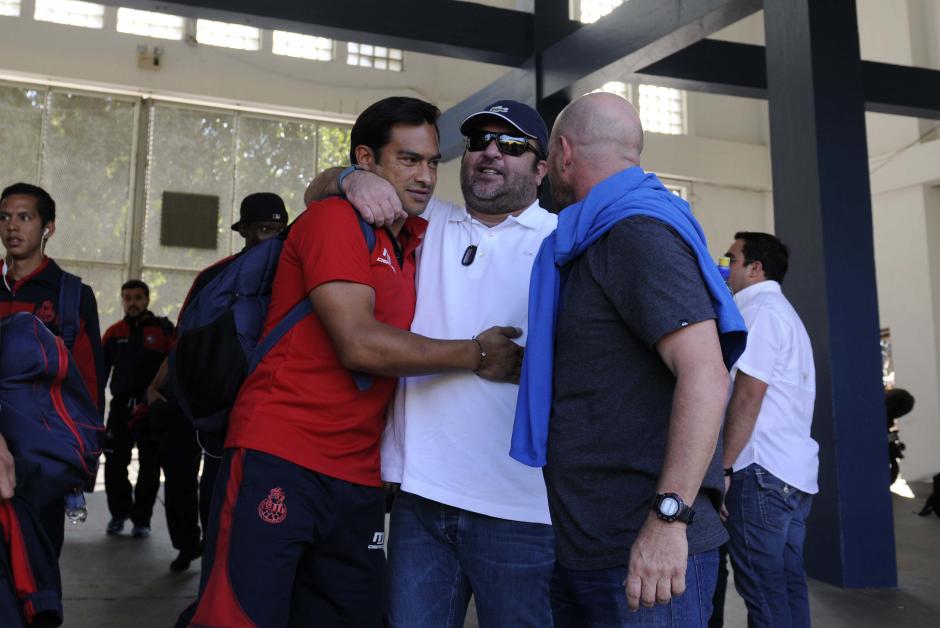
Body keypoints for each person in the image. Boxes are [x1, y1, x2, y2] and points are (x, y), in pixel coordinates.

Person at [186, 96, 523, 627]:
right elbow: (359, 344)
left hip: (359, 474)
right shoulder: (335, 220)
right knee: (239, 618)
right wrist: (477, 354)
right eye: (408, 159)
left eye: (432, 162)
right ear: (366, 158)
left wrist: (341, 177)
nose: (425, 176)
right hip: (281, 452)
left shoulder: (416, 235)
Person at [307, 100, 557, 627]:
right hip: (421, 501)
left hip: (521, 509)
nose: (491, 153)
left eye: (512, 145)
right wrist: (353, 177)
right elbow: (317, 193)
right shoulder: (426, 221)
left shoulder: (564, 241)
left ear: (542, 169)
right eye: (479, 142)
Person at [511, 92, 747, 626]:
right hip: (594, 545)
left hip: (643, 555)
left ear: (563, 153)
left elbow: (706, 374)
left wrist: (668, 520)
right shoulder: (598, 236)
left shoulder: (635, 233)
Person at [148, 192, 289, 573]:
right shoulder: (216, 278)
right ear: (243, 230)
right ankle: (196, 559)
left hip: (272, 411)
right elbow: (185, 341)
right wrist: (158, 387)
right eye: (264, 229)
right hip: (213, 407)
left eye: (279, 231)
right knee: (200, 490)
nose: (271, 239)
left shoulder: (295, 273)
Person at [0, 183, 105, 557]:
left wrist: (82, 463)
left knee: (36, 560)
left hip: (40, 457)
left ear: (48, 227)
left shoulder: (70, 295)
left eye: (24, 217)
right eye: (5, 217)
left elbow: (89, 382)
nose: (12, 226)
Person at [721, 231, 818, 628]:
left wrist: (724, 466)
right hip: (791, 475)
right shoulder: (786, 314)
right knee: (786, 585)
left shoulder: (760, 311)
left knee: (763, 592)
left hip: (760, 471)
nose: (725, 268)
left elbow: (749, 395)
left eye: (732, 260)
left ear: (755, 268)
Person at [101, 279, 174, 539]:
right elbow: (99, 373)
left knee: (150, 467)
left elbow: (175, 368)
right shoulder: (114, 333)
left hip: (149, 409)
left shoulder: (163, 331)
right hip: (120, 408)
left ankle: (142, 520)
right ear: (123, 301)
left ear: (147, 300)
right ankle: (119, 513)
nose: (132, 303)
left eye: (138, 298)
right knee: (113, 464)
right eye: (128, 298)